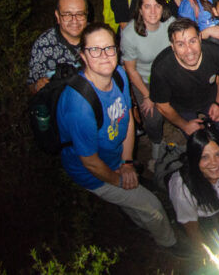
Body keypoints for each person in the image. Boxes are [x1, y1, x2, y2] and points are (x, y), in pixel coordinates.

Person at [57, 22, 182, 254]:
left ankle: (137, 220)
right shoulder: (79, 106)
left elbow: (126, 120)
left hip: (117, 159)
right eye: (95, 50)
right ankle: (170, 244)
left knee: (136, 200)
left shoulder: (120, 75)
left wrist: (126, 163)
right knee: (153, 207)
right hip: (93, 172)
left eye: (109, 48)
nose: (104, 55)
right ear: (83, 55)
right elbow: (91, 162)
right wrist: (121, 180)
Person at [150, 19, 219, 142]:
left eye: (192, 41)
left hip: (210, 98)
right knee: (195, 139)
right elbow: (162, 105)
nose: (189, 50)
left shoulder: (215, 52)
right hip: (181, 106)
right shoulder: (161, 68)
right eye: (180, 44)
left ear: (200, 38)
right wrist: (184, 125)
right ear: (172, 46)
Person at [121, 0, 174, 167]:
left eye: (157, 6)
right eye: (147, 6)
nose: (153, 11)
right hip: (144, 79)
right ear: (140, 9)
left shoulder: (170, 23)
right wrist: (147, 95)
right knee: (152, 116)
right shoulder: (129, 34)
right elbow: (131, 69)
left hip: (168, 75)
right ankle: (156, 142)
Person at [27, 0, 87, 93]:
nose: (74, 20)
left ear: (86, 15)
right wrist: (38, 86)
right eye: (67, 14)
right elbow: (31, 86)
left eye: (79, 14)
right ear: (57, 16)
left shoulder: (98, 38)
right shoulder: (44, 45)